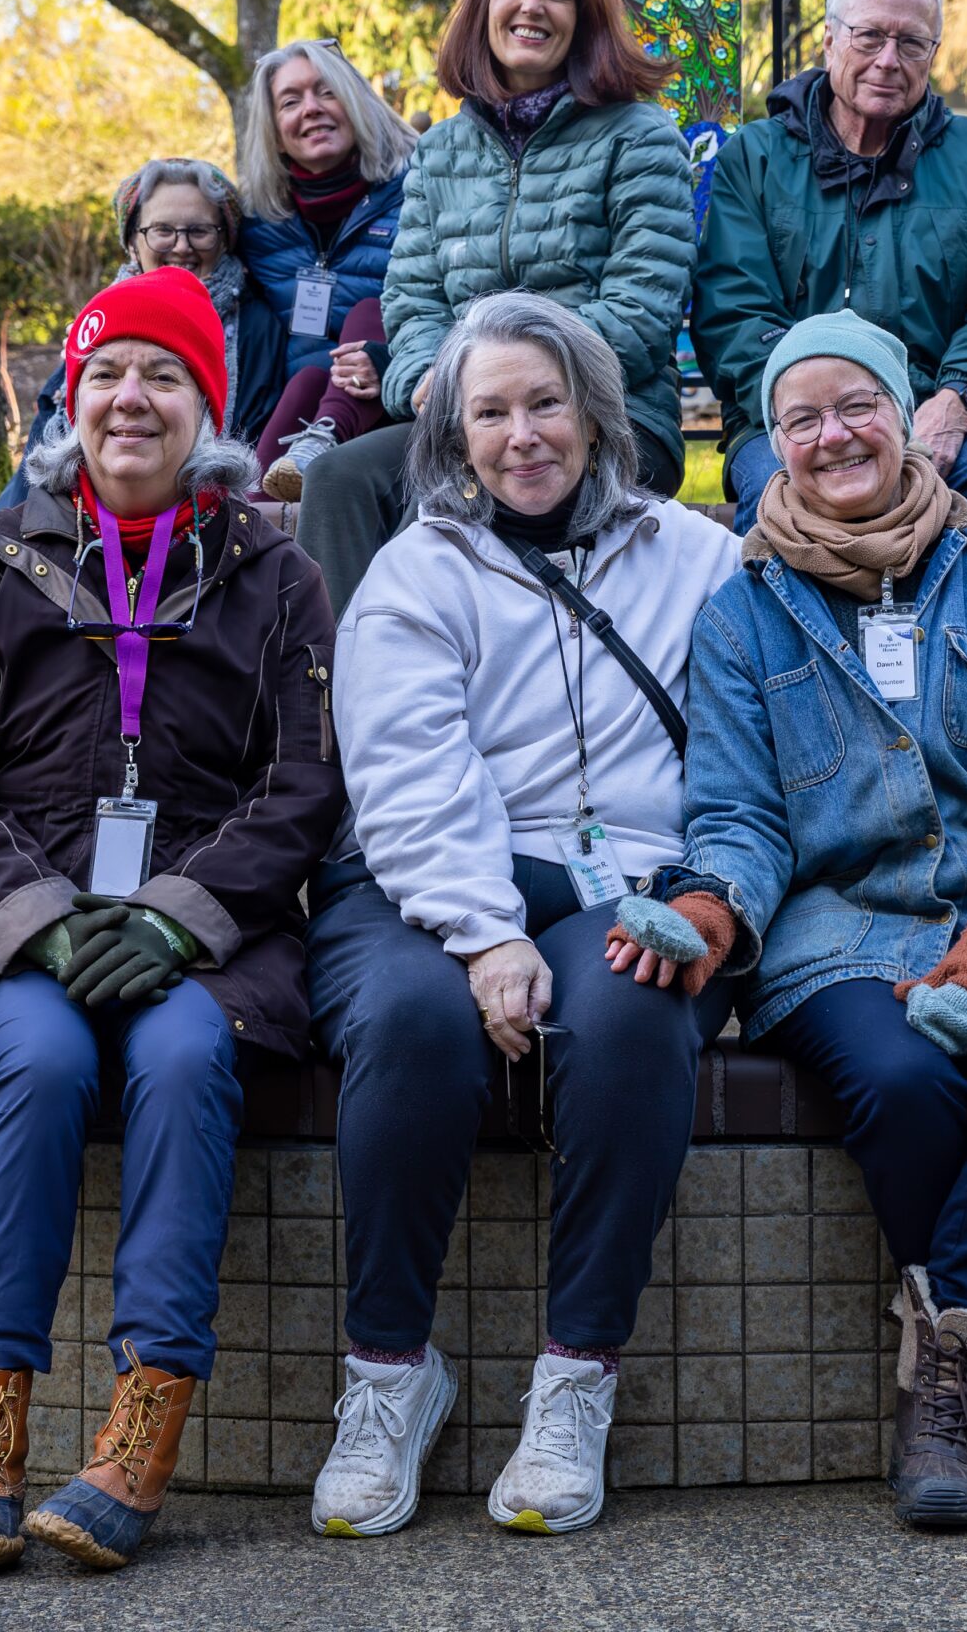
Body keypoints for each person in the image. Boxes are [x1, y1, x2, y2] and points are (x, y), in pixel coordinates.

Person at [617, 311, 967, 1535]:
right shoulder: (743, 609)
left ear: (906, 415)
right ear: (770, 440)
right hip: (838, 929)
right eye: (802, 417)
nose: (833, 433)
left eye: (858, 406)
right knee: (900, 1080)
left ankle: (942, 1381)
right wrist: (709, 903)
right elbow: (735, 811)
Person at [0, 268, 342, 1575]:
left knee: (188, 1057)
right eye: (106, 375)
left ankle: (140, 1428)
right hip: (9, 921)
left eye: (163, 377)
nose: (129, 400)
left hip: (210, 926)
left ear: (209, 403)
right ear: (71, 397)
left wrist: (174, 920)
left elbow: (303, 783)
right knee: (37, 1059)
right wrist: (37, 922)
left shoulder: (274, 570)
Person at [300, 293, 743, 1540]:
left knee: (634, 1013)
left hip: (626, 875)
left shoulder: (695, 555)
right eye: (488, 410)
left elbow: (769, 695)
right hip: (422, 876)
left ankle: (575, 1374)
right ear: (452, 431)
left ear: (596, 414)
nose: (521, 434)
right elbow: (406, 770)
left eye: (545, 402)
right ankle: (389, 1371)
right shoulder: (418, 567)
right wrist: (483, 931)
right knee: (412, 1020)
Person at [295, 0, 696, 613]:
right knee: (338, 479)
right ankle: (342, 703)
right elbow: (413, 302)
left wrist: (504, 384)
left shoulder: (641, 137)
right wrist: (427, 381)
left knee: (454, 500)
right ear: (485, 8)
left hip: (610, 418)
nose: (532, 6)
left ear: (586, 18)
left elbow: (640, 313)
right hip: (462, 416)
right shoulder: (441, 151)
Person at [693, 0, 967, 537]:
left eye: (912, 43)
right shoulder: (755, 159)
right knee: (777, 503)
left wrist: (956, 402)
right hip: (794, 422)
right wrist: (822, 416)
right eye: (869, 36)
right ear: (829, 42)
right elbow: (733, 314)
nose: (888, 60)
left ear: (934, 54)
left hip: (942, 417)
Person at [0, 158, 288, 506]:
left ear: (224, 240)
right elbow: (46, 440)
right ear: (133, 241)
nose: (181, 247)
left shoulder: (256, 328)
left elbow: (254, 436)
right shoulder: (99, 320)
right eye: (162, 230)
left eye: (200, 231)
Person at [237, 38, 418, 497]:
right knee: (307, 379)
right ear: (275, 130)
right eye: (291, 101)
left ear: (355, 102)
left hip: (403, 402)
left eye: (327, 92)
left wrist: (392, 363)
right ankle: (241, 525)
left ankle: (321, 444)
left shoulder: (418, 190)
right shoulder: (257, 224)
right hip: (298, 412)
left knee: (369, 310)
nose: (311, 109)